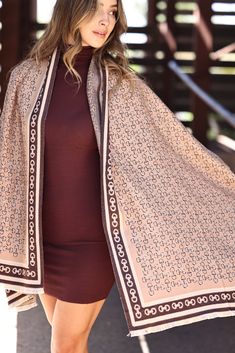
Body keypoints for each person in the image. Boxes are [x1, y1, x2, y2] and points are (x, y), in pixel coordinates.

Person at [0, 0, 235, 352]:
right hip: (43, 242)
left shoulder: (120, 85)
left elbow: (169, 147)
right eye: (98, 8)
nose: (106, 20)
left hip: (92, 243)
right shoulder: (26, 78)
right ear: (72, 10)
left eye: (113, 10)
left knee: (63, 344)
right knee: (70, 342)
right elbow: (10, 159)